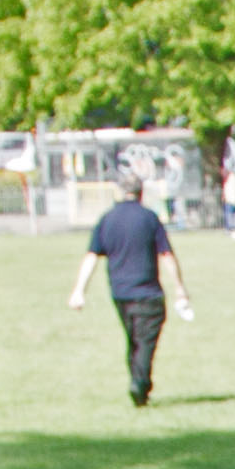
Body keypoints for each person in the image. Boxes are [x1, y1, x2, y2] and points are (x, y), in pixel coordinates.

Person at [69, 164, 193, 404]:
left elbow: (92, 256)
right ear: (141, 192)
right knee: (145, 342)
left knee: (133, 339)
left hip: (120, 292)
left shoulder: (107, 220)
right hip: (148, 292)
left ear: (119, 191)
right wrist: (180, 288)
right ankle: (140, 383)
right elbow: (166, 255)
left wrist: (79, 290)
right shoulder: (149, 218)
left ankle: (138, 383)